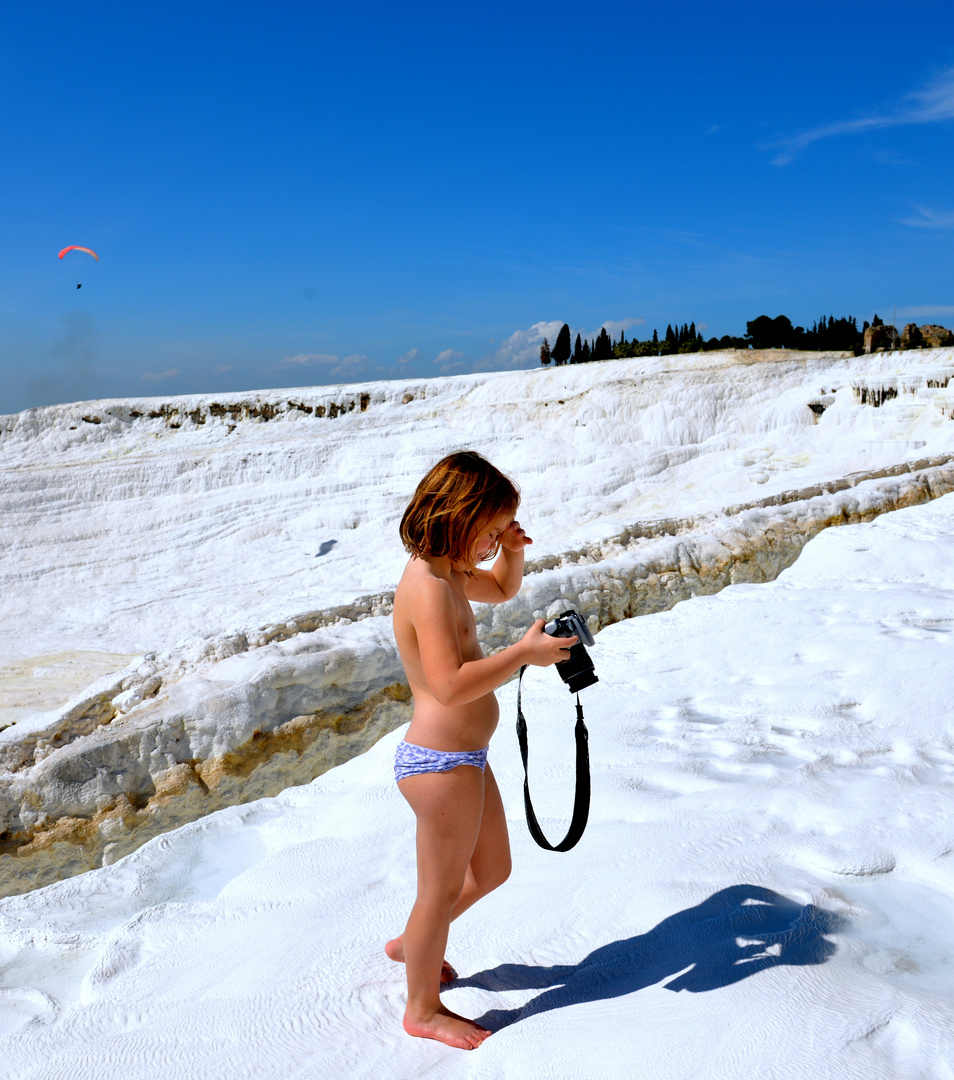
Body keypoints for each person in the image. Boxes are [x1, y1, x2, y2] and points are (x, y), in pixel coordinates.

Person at [385, 450, 577, 1050]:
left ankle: (414, 944)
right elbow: (448, 684)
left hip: (465, 760)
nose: (496, 544)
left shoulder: (448, 571)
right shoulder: (428, 587)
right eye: (491, 531)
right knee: (437, 892)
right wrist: (521, 655)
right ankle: (421, 1007)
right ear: (457, 514)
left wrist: (515, 552)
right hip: (439, 766)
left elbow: (499, 588)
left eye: (501, 533)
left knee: (492, 870)